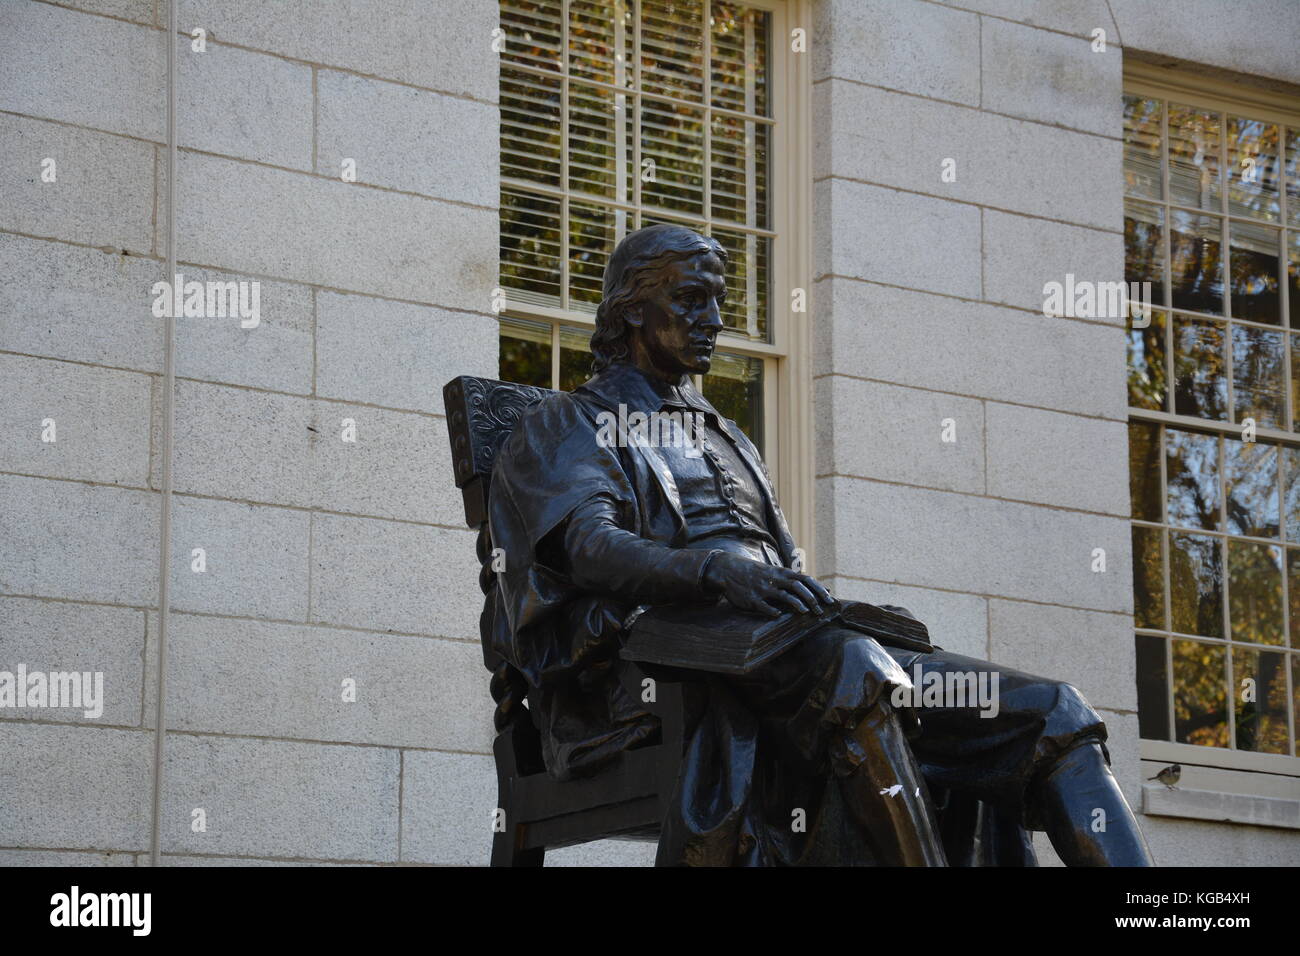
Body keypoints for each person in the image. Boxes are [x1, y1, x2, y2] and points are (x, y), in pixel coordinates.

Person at [486, 223, 1154, 866]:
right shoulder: (568, 421)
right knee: (858, 669)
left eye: (719, 300)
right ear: (631, 311)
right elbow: (588, 548)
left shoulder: (731, 439)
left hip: (792, 653)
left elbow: (782, 570)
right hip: (661, 668)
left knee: (1053, 712)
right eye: (690, 299)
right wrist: (718, 574)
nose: (713, 318)